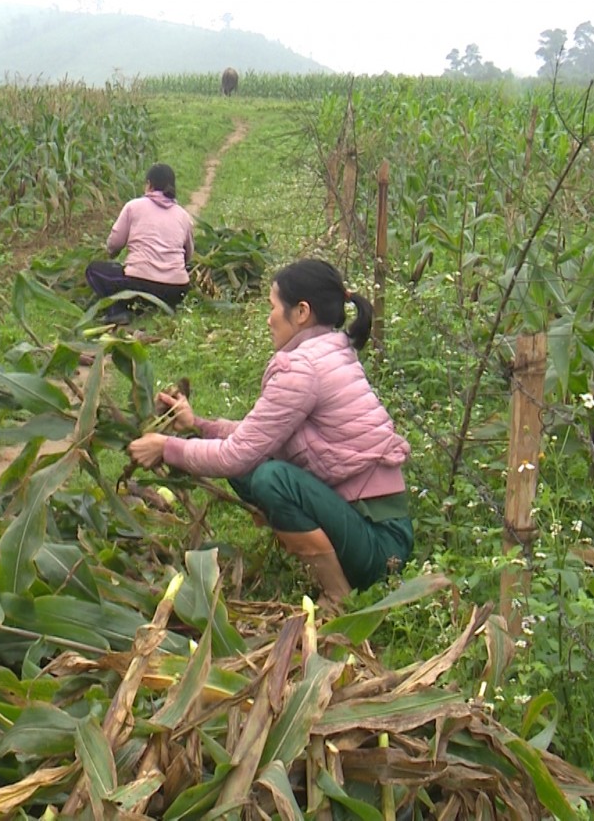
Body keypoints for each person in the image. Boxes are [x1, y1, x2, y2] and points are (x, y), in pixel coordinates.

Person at [127, 258, 412, 602]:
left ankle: (338, 595)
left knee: (268, 477)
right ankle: (306, 541)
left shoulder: (303, 368)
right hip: (365, 525)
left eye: (273, 307)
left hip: (381, 547)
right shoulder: (328, 351)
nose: (268, 318)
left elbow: (236, 454)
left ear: (302, 312)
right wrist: (197, 425)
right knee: (252, 467)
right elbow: (254, 438)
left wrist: (166, 447)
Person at [85, 163, 194, 325]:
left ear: (149, 184)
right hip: (176, 291)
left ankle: (118, 310)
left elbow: (114, 244)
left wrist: (111, 254)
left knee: (94, 270)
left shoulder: (134, 206)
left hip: (138, 285)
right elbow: (188, 255)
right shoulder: (184, 216)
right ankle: (151, 307)